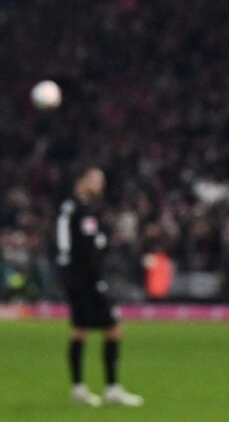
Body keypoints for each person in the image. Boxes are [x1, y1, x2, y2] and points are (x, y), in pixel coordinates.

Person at [55, 166, 144, 407]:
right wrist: (70, 271)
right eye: (96, 179)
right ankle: (112, 388)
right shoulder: (74, 208)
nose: (101, 185)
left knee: (80, 330)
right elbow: (66, 246)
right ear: (82, 180)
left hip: (83, 278)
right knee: (114, 329)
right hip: (86, 280)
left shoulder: (83, 209)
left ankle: (79, 388)